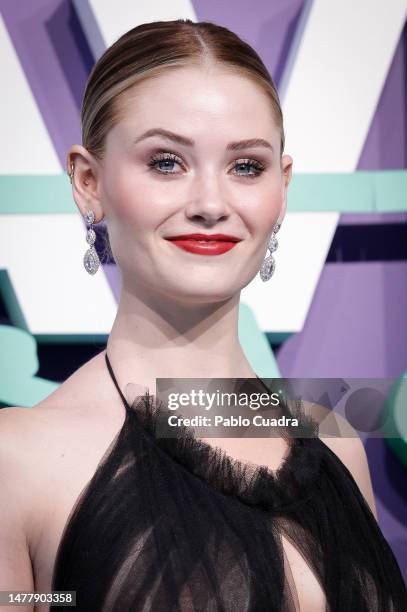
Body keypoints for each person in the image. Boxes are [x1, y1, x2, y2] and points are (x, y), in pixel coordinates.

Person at [0, 18, 406, 612]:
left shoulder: (336, 445)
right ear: (89, 183)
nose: (211, 205)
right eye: (166, 162)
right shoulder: (19, 462)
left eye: (246, 166)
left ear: (282, 187)